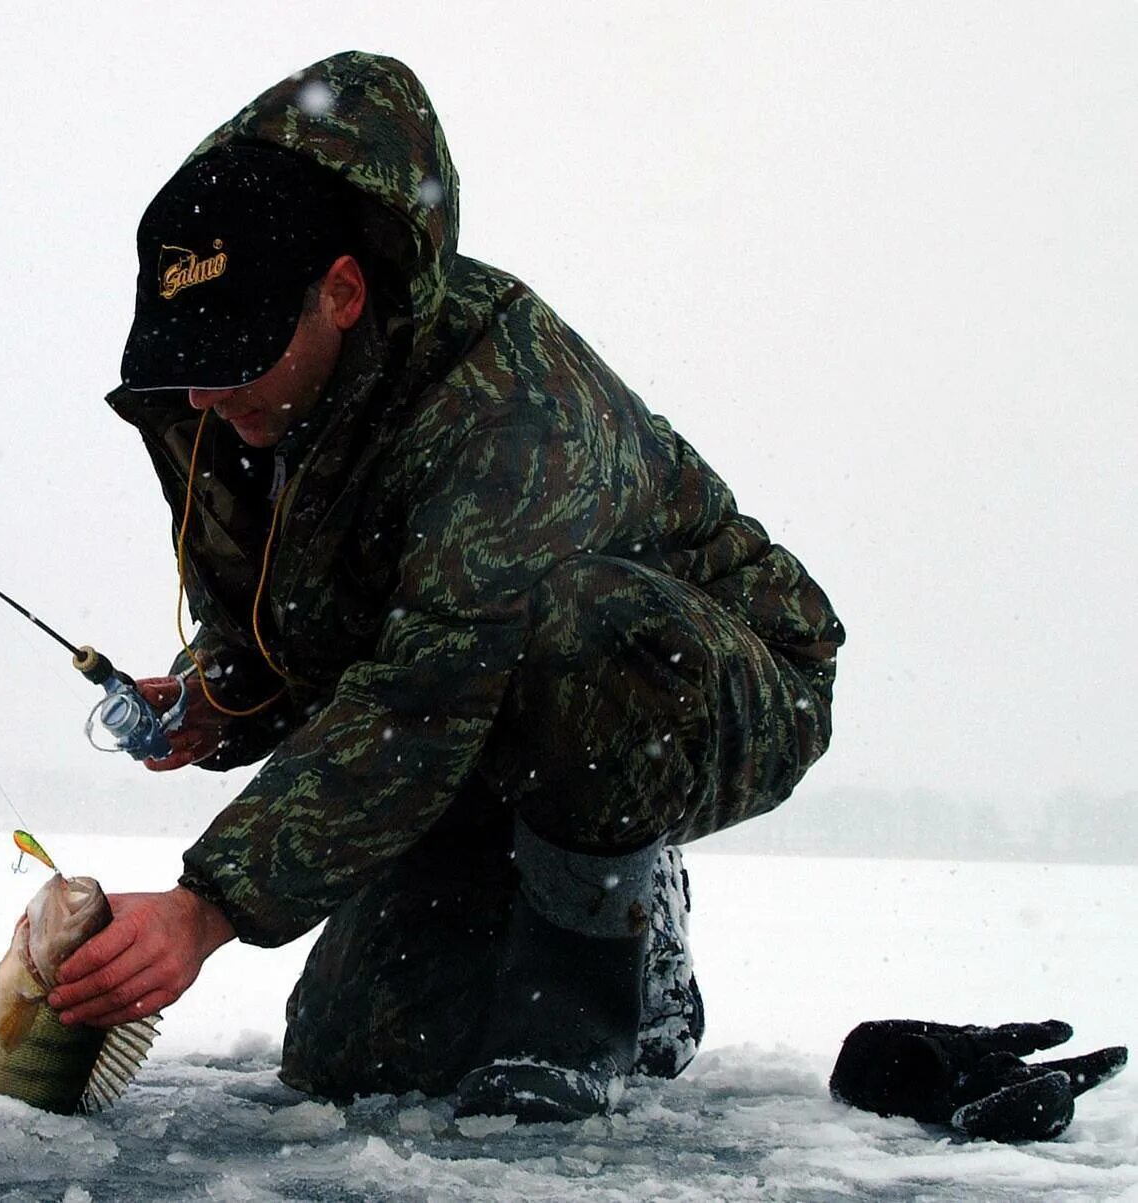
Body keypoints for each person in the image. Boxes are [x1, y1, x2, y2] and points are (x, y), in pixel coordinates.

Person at [45, 51, 843, 1121]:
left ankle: (606, 963)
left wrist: (207, 904)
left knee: (580, 625)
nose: (201, 388)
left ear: (338, 292)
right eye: (187, 353)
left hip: (688, 686)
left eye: (234, 352)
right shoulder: (242, 412)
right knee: (358, 1061)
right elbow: (312, 632)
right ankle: (538, 879)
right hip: (469, 705)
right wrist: (215, 693)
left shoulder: (508, 403)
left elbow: (426, 688)